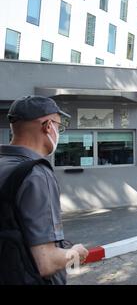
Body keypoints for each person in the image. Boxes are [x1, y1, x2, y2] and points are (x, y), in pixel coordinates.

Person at [0, 96, 89, 285]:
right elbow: (46, 263)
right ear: (48, 126)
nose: (59, 131)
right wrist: (76, 254)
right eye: (59, 126)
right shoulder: (37, 174)